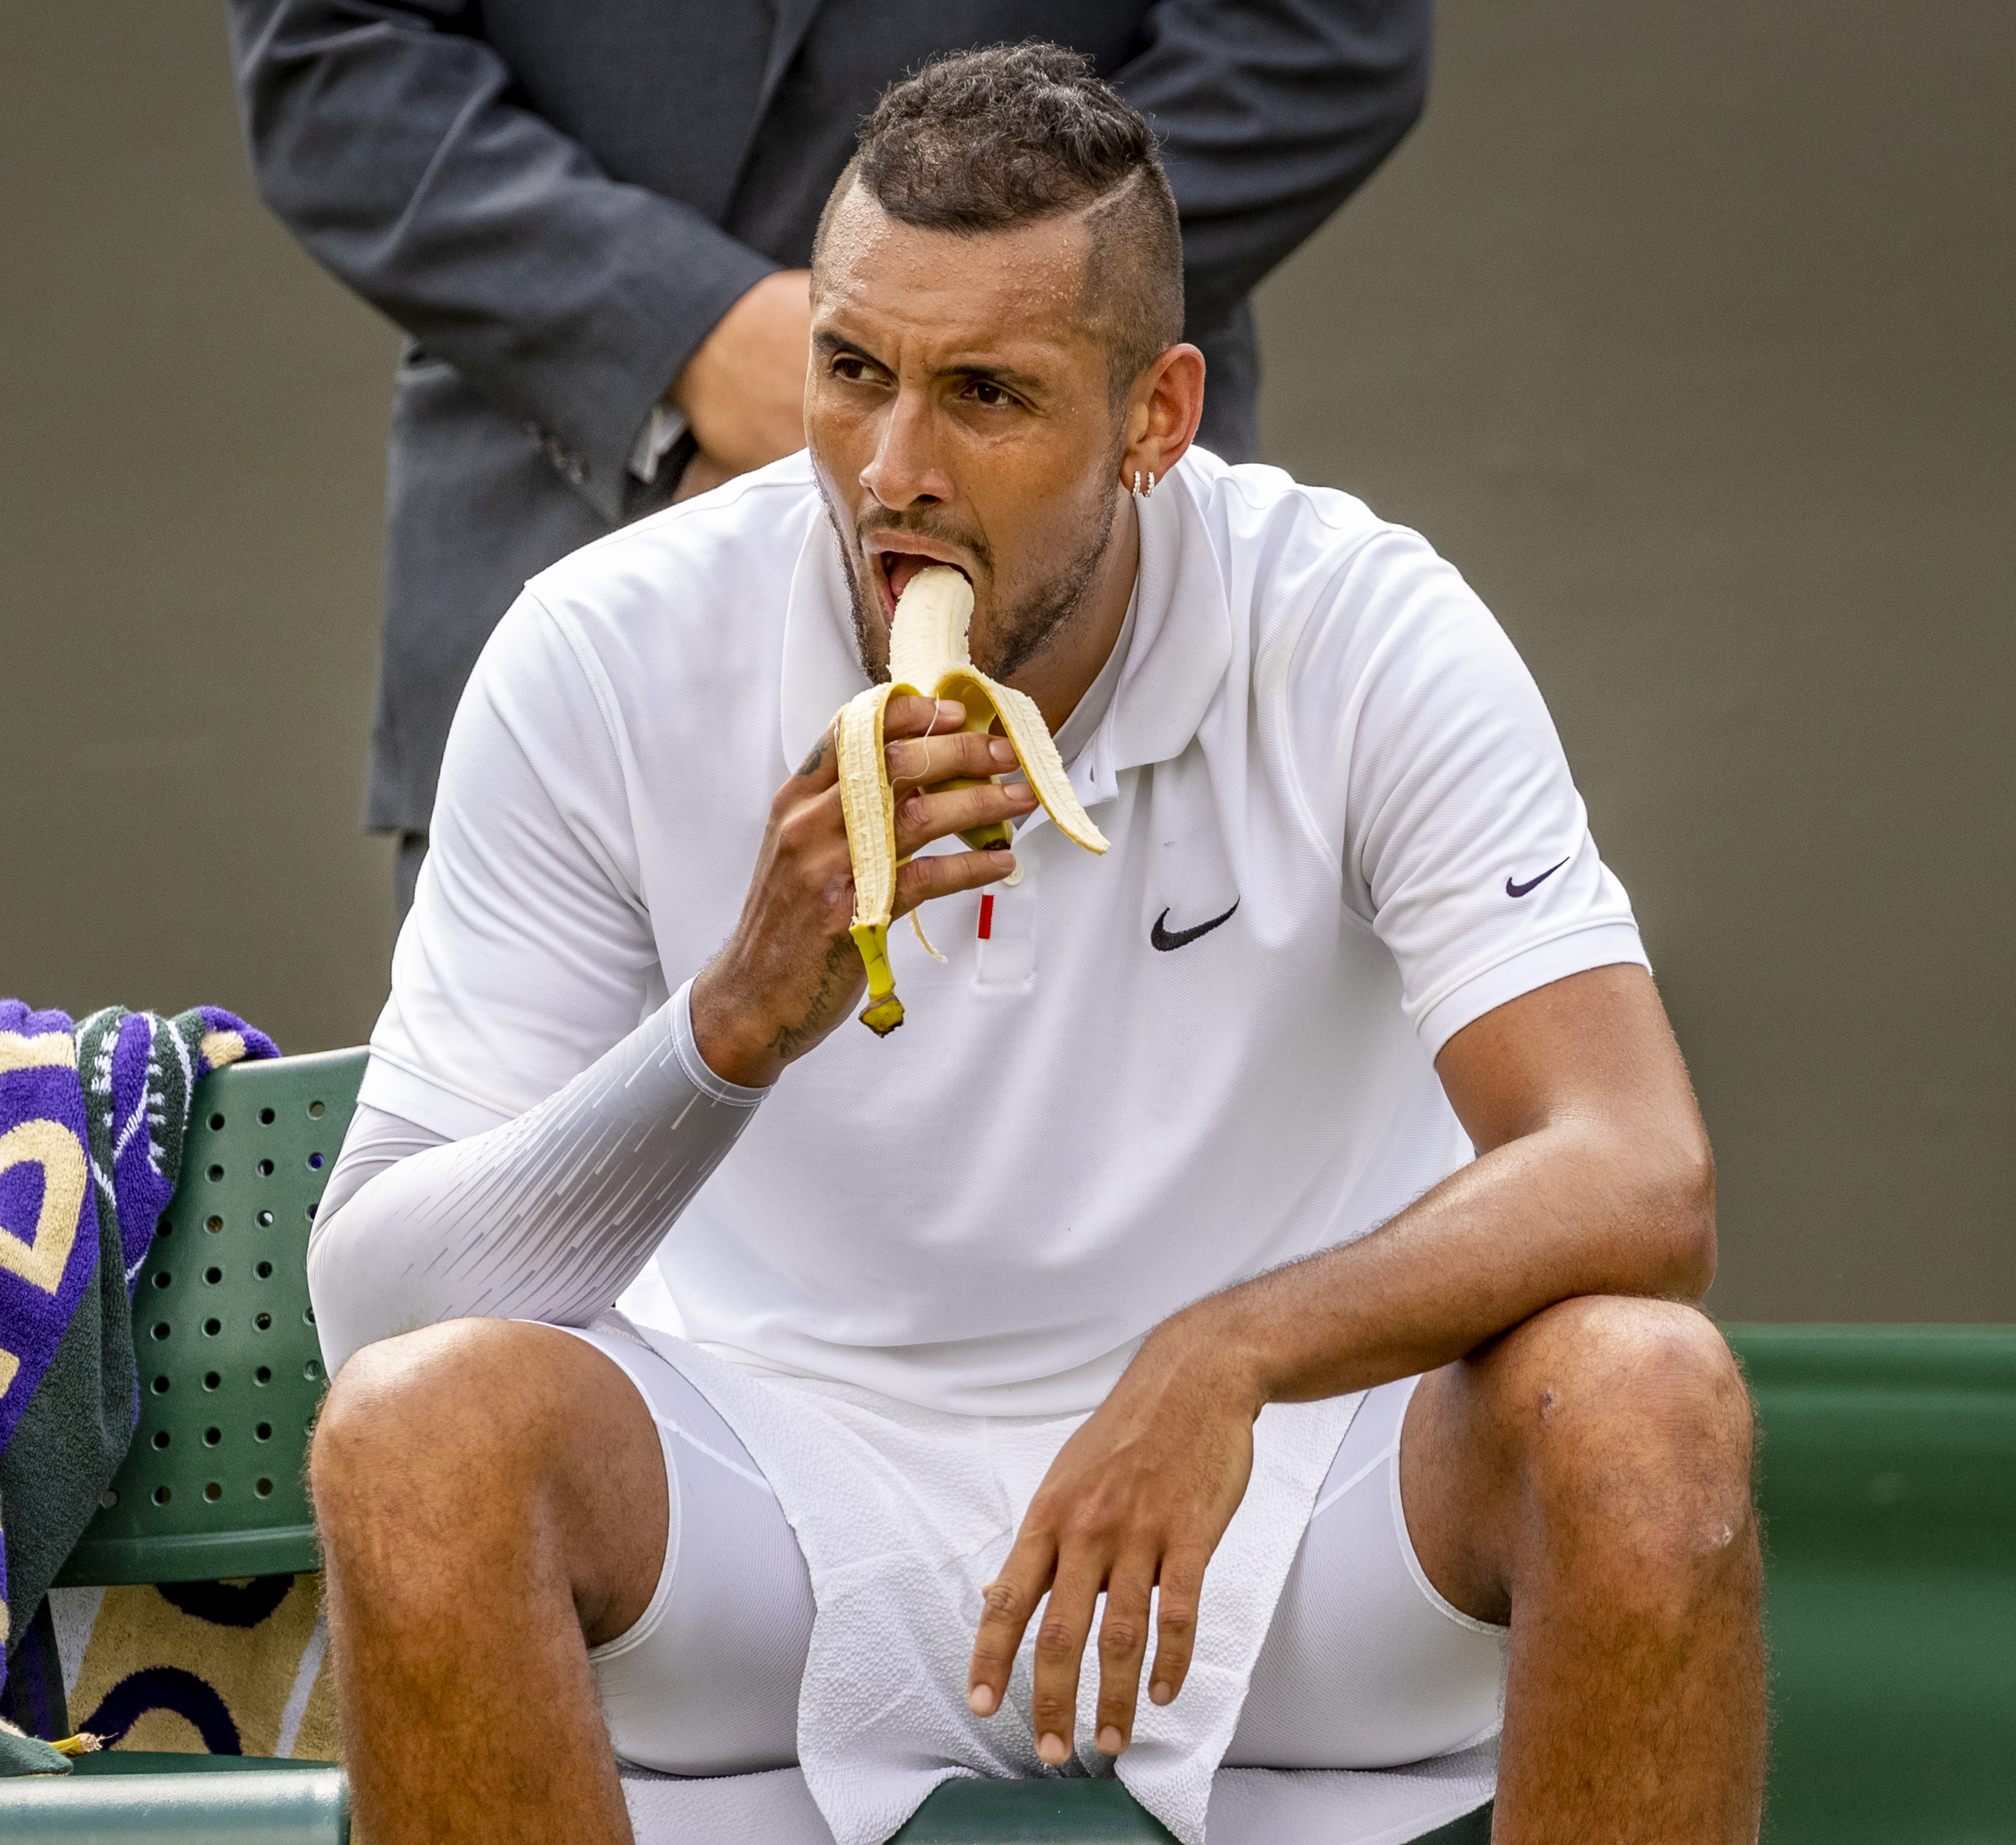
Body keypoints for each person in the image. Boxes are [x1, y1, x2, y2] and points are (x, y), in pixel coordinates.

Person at [301, 47, 1765, 1845]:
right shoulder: (600, 643)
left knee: (1646, 1401)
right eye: (851, 374)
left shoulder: (1358, 620)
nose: (891, 475)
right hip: (773, 1512)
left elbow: (1637, 1170)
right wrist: (735, 1024)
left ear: (1156, 419)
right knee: (417, 1440)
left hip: (1276, 1508)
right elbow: (374, 1311)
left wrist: (1226, 1356)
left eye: (985, 395)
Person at [228, 0, 1434, 917]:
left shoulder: (1396, 632)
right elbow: (338, 55)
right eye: (847, 374)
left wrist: (973, 306)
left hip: (1077, 639)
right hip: (549, 516)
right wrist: (682, 336)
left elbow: (1315, 41)